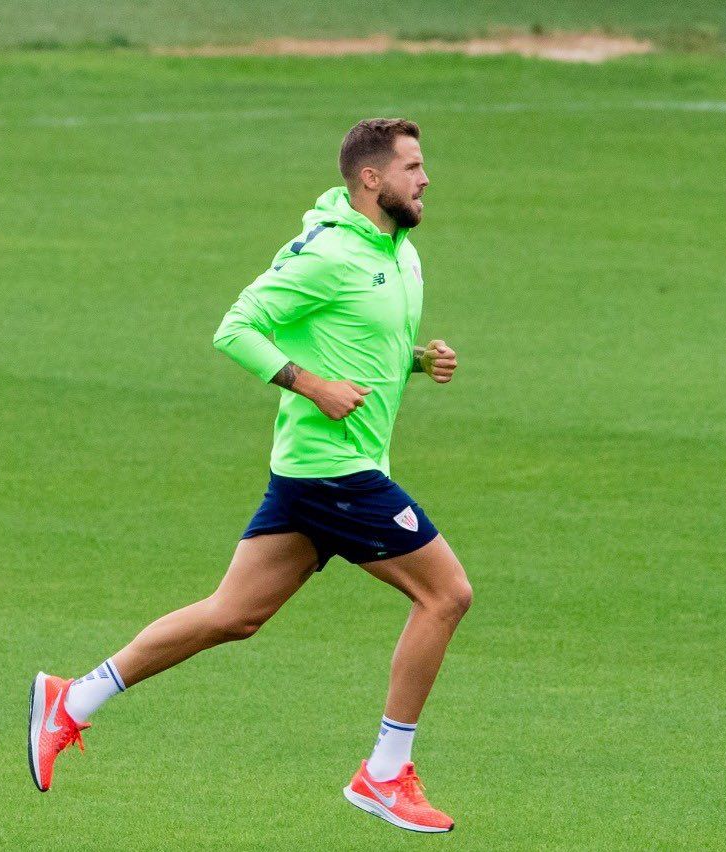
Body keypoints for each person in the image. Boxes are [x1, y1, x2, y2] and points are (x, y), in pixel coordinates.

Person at [27, 118, 471, 834]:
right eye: (412, 168)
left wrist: (418, 361)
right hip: (334, 472)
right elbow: (235, 327)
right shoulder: (329, 253)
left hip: (315, 473)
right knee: (445, 595)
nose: (425, 180)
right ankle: (385, 774)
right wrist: (312, 386)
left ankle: (71, 700)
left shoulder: (399, 253)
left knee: (232, 615)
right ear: (371, 178)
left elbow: (356, 337)